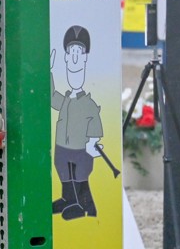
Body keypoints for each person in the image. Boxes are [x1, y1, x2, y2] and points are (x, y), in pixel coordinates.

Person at [50, 25, 103, 220]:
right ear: (65, 56)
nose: (74, 57)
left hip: (80, 148)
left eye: (79, 52)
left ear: (85, 57)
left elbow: (95, 123)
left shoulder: (88, 103)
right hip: (62, 146)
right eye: (71, 52)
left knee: (80, 175)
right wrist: (48, 73)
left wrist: (92, 141)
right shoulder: (65, 100)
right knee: (64, 171)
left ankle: (82, 205)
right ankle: (68, 199)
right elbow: (51, 98)